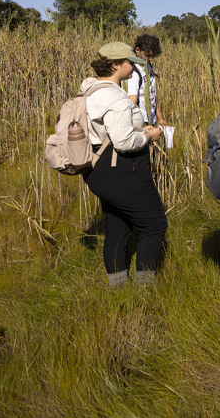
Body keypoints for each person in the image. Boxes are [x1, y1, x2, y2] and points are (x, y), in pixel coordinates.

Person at [82, 42, 166, 287]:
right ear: (116, 65)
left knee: (117, 224)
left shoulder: (90, 91)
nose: (134, 67)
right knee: (154, 224)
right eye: (130, 62)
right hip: (121, 168)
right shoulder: (114, 97)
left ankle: (118, 286)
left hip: (97, 169)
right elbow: (124, 142)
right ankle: (144, 289)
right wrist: (149, 136)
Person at [126, 34, 166, 127]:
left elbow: (152, 95)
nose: (150, 59)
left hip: (151, 118)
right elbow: (132, 101)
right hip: (140, 121)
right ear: (137, 50)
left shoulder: (148, 66)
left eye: (152, 56)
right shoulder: (133, 72)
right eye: (147, 55)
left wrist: (159, 117)